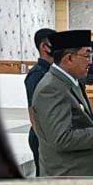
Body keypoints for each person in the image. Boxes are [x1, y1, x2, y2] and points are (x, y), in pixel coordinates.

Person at [31, 30, 93, 177]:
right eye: (87, 56)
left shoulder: (71, 81)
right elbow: (61, 139)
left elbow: (78, 119)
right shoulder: (51, 88)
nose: (91, 61)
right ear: (69, 58)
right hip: (68, 177)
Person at [24, 28, 55, 176]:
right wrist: (44, 142)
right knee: (45, 177)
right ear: (44, 47)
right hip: (42, 137)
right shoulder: (37, 73)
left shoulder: (52, 71)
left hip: (52, 134)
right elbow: (33, 110)